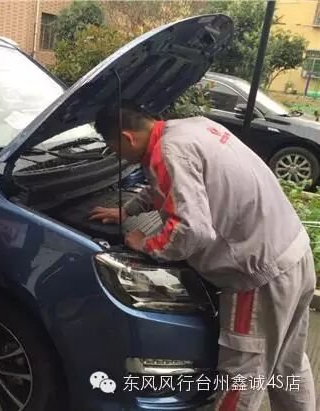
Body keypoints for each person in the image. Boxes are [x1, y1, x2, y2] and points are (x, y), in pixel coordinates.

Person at [89, 104, 316, 411]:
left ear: (127, 138)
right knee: (288, 365)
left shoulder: (170, 152)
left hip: (259, 275)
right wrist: (127, 211)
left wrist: (144, 244)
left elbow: (192, 232)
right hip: (294, 251)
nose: (118, 156)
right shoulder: (191, 128)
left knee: (240, 380)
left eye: (114, 148)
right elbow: (168, 185)